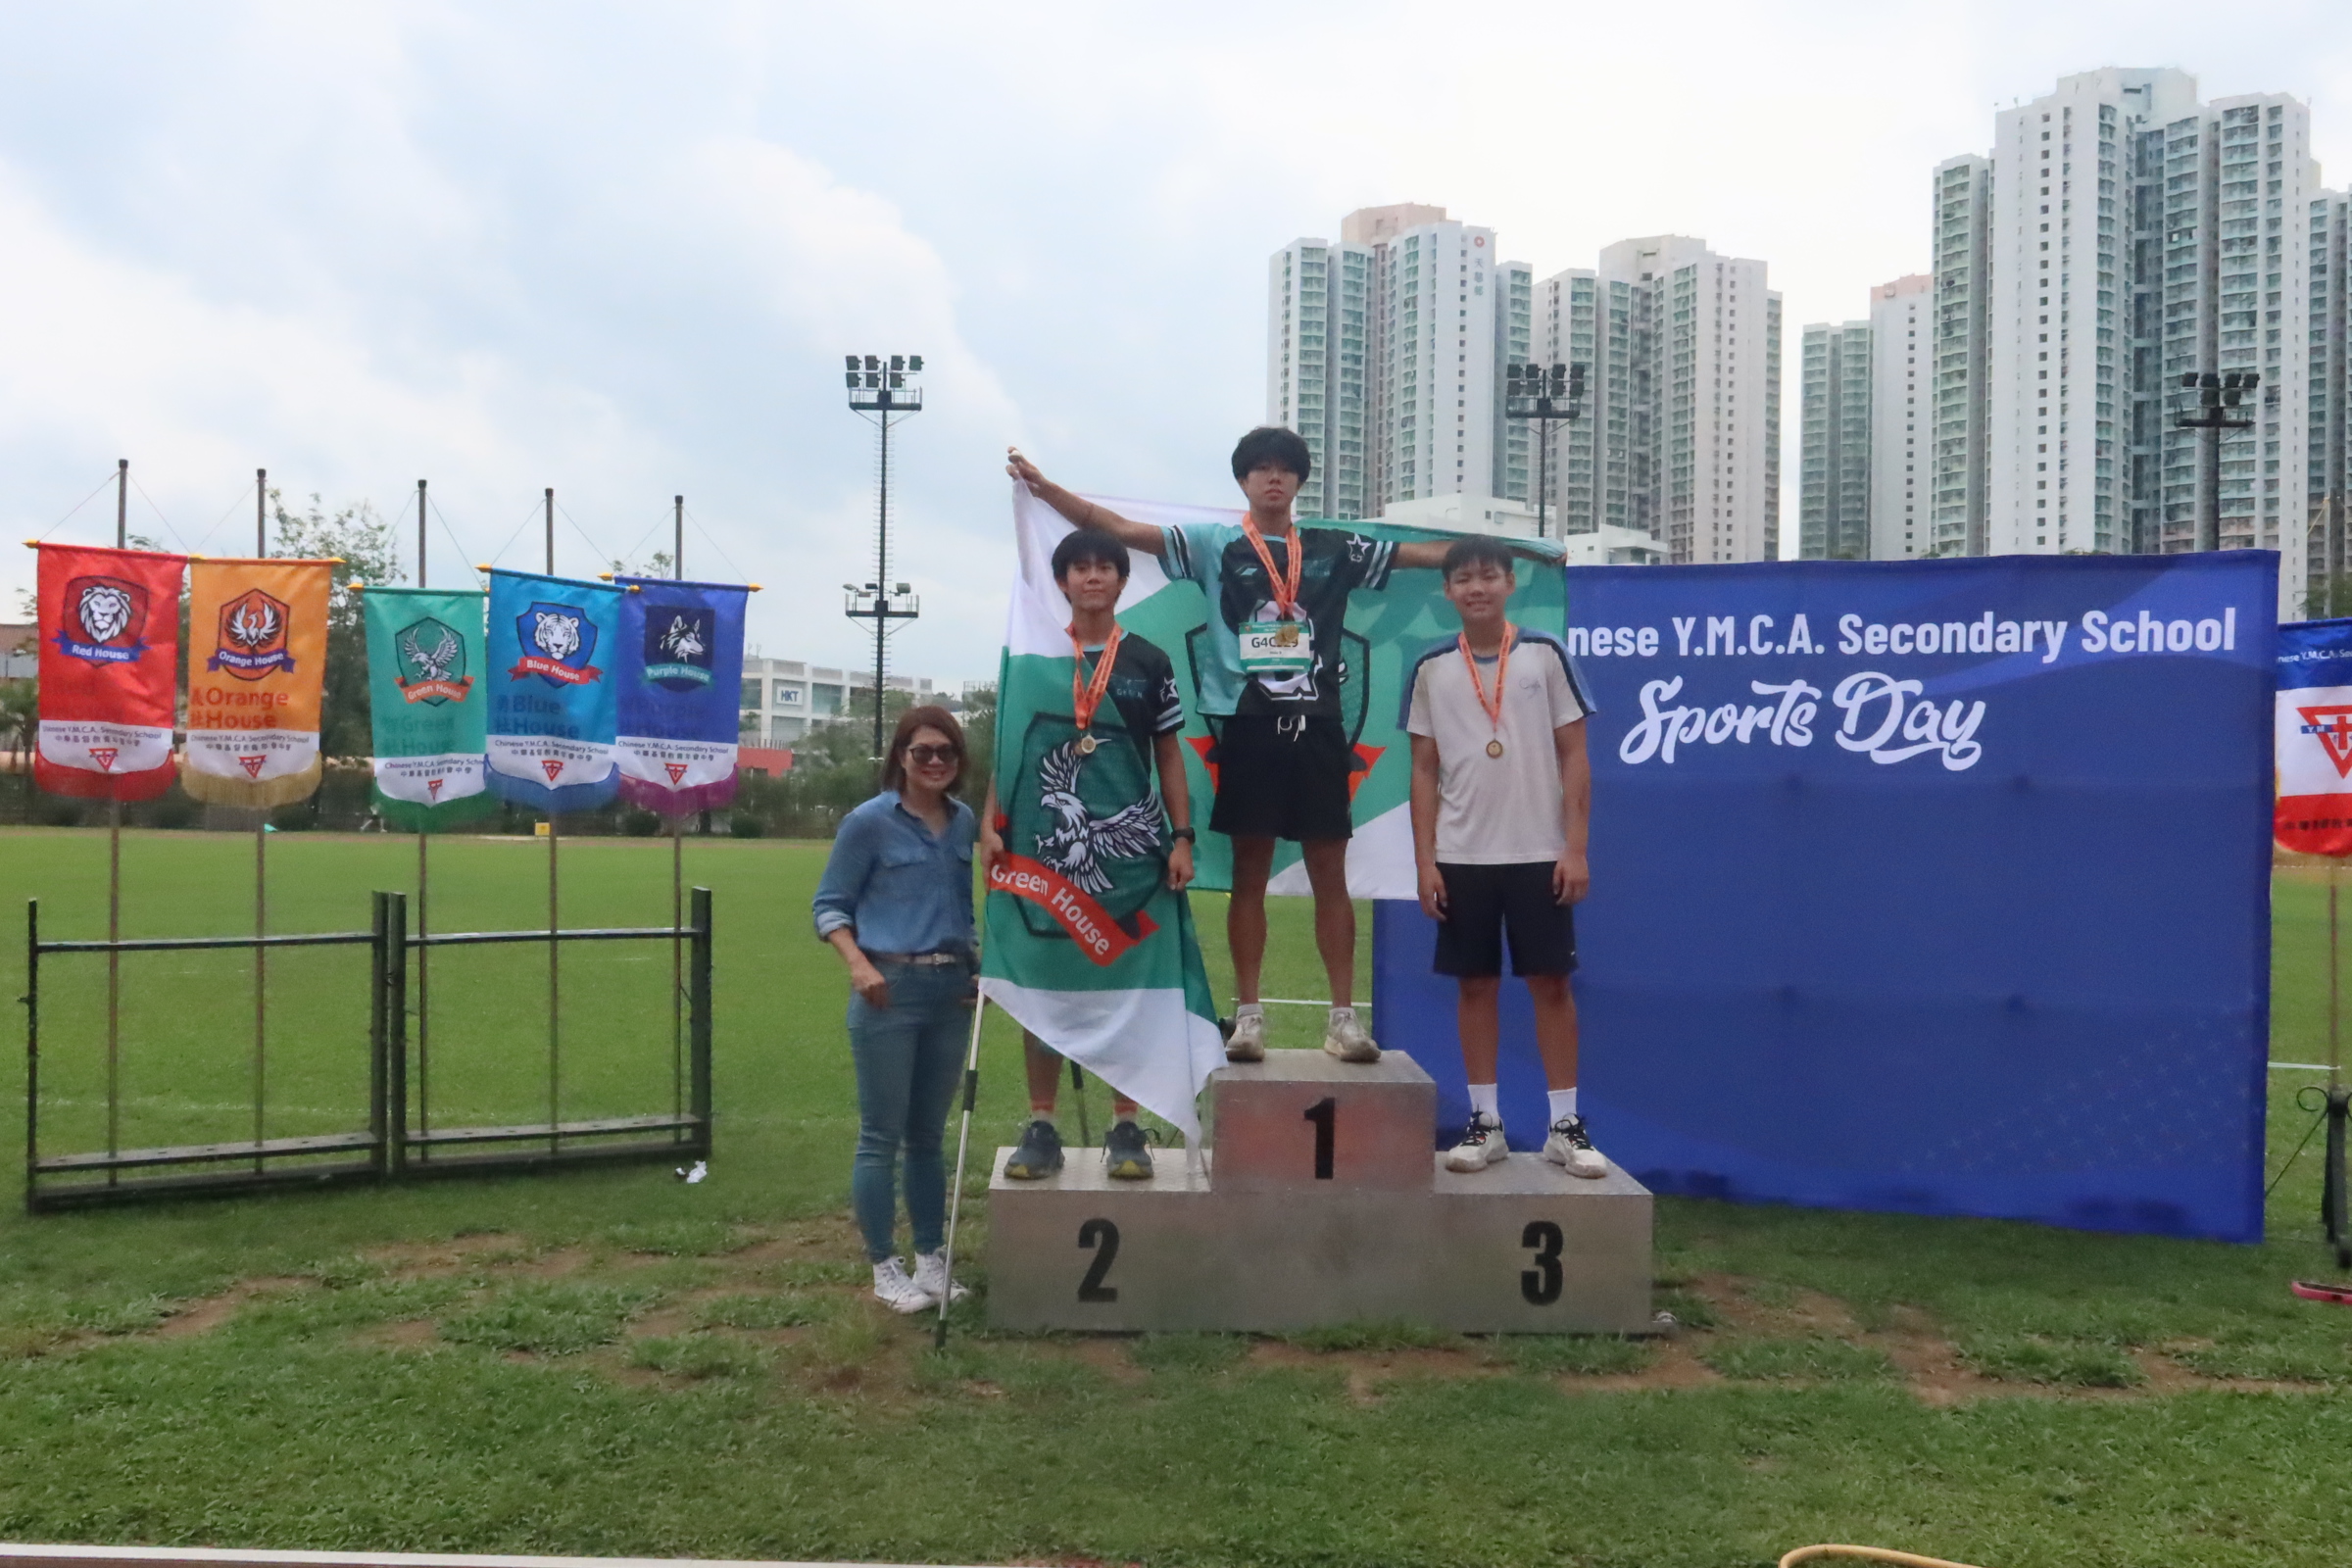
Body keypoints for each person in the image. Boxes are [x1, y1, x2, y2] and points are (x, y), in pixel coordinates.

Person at [1008, 428, 1540, 1065]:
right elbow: (1119, 529)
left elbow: (1422, 556)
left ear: (1299, 480)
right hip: (1248, 726)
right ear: (1243, 481)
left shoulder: (1332, 548)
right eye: (1260, 469)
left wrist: (1523, 550)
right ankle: (1250, 1016)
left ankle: (1343, 1019)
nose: (1273, 478)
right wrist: (1047, 491)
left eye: (1284, 469)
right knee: (1250, 876)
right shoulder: (1214, 545)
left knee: (1330, 876)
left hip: (1319, 727)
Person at [979, 530, 1196, 1182]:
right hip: (1038, 858)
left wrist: (1183, 837)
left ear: (1122, 581)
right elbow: (1010, 748)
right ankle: (1041, 1124)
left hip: (1131, 862)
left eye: (1105, 567)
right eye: (1080, 567)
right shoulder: (1033, 654)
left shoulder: (1149, 660)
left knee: (1124, 989)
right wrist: (989, 824)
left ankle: (1126, 1125)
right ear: (1062, 581)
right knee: (1044, 985)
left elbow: (1168, 754)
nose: (1093, 576)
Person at [1404, 535, 1605, 1179]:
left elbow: (1575, 755)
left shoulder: (1545, 654)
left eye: (1488, 575)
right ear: (1447, 591)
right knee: (1475, 985)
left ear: (1510, 583)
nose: (1477, 588)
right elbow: (1422, 770)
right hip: (1462, 855)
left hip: (1539, 851)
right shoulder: (1432, 667)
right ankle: (1485, 1122)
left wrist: (1575, 848)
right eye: (1463, 578)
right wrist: (1425, 862)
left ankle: (1564, 1126)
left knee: (1551, 984)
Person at [811, 706, 981, 1312]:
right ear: (901, 758)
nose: (935, 762)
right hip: (888, 990)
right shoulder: (868, 823)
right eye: (922, 752)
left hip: (950, 992)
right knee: (881, 1136)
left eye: (946, 752)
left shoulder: (964, 823)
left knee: (927, 1137)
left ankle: (931, 1258)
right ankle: (885, 1266)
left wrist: (974, 964)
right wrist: (859, 966)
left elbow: (962, 907)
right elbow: (829, 905)